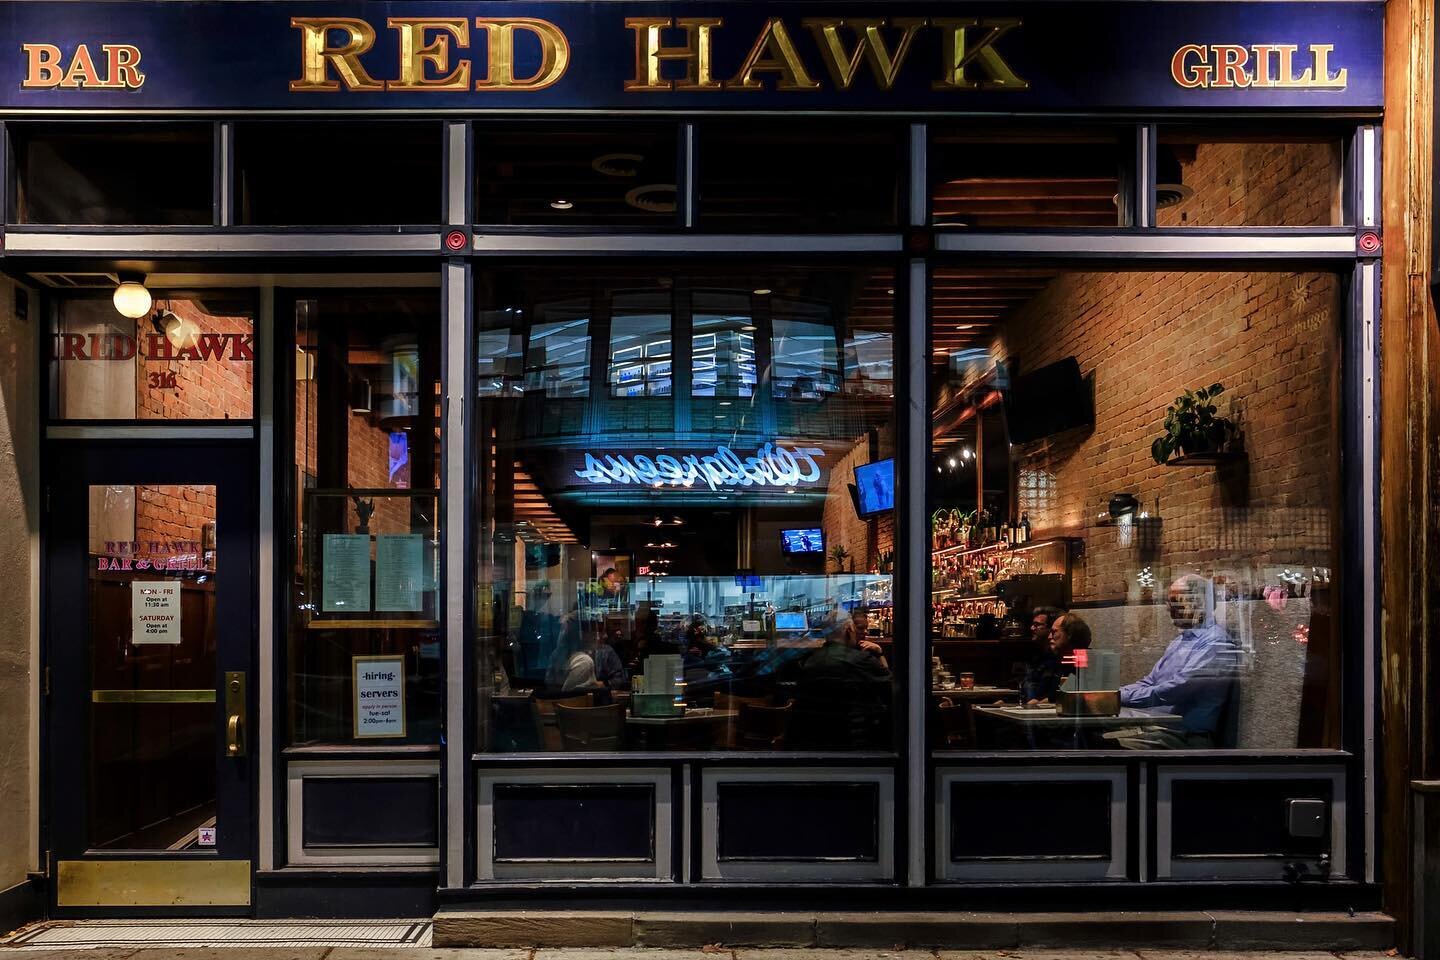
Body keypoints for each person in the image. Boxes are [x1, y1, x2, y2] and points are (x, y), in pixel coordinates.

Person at [1109, 573, 1240, 749]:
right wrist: (1109, 695)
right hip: (1159, 730)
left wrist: (1116, 697)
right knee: (1093, 737)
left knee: (1104, 747)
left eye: (1174, 601)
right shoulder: (1179, 642)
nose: (1167, 608)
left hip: (1185, 738)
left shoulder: (1216, 643)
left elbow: (1174, 690)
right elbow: (1150, 681)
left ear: (1196, 603)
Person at [799, 604, 891, 682]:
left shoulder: (808, 660)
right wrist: (879, 653)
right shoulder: (862, 660)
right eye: (857, 629)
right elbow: (889, 683)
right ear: (849, 630)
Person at [1021, 611, 1092, 704]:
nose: (1050, 637)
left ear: (1070, 634)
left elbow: (1075, 698)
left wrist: (1046, 702)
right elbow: (1041, 695)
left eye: (1054, 632)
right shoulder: (1055, 663)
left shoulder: (1086, 664)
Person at [544, 610, 603, 693]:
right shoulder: (583, 661)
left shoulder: (556, 654)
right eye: (592, 631)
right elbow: (565, 694)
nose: (596, 636)